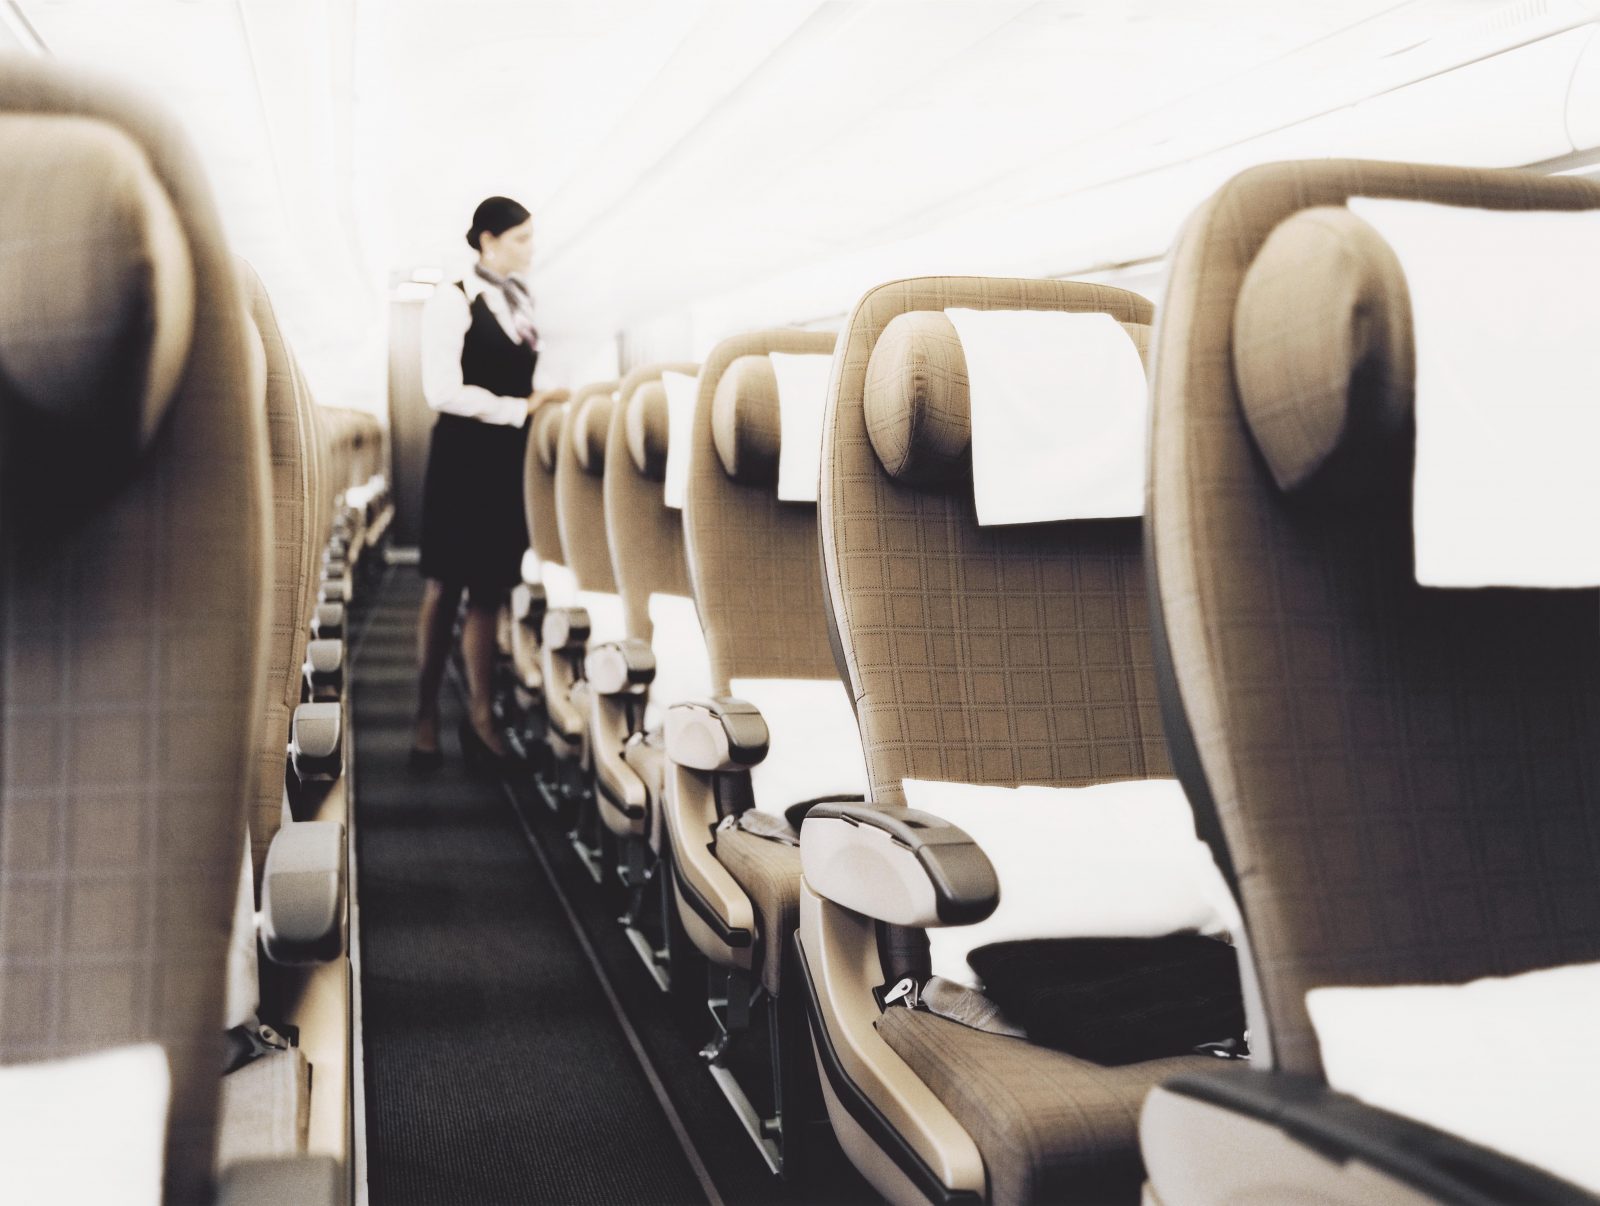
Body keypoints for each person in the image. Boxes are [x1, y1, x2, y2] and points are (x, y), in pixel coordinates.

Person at [412, 195, 551, 772]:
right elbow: (441, 391)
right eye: (521, 238)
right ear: (488, 240)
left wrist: (539, 402)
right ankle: (424, 713)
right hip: (463, 456)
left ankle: (481, 716)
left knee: (490, 588)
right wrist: (520, 408)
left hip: (503, 461)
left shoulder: (519, 299)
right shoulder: (454, 299)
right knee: (446, 587)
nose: (530, 248)